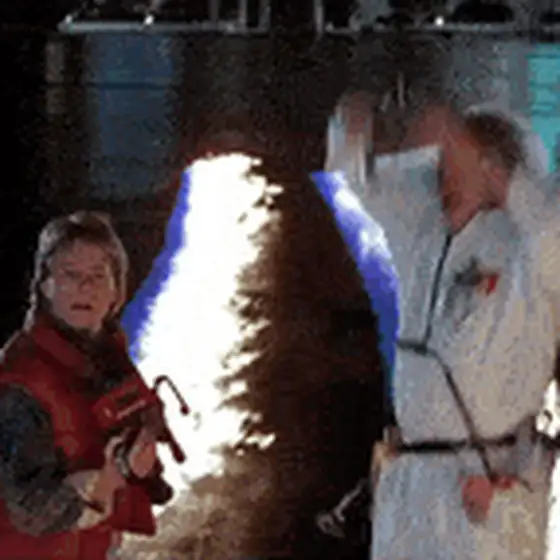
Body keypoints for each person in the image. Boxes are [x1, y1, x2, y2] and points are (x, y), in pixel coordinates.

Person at [326, 93, 556, 559]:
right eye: (443, 166)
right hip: (410, 486)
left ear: (496, 171)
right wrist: (352, 124)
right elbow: (356, 176)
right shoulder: (422, 232)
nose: (444, 178)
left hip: (485, 485)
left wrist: (494, 171)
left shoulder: (527, 249)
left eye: (458, 166)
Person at [0, 211, 168, 559]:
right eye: (70, 275)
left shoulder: (110, 361)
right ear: (45, 286)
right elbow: (30, 508)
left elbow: (136, 465)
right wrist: (107, 479)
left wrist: (143, 466)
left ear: (115, 290)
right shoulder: (22, 381)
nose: (85, 288)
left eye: (97, 276)